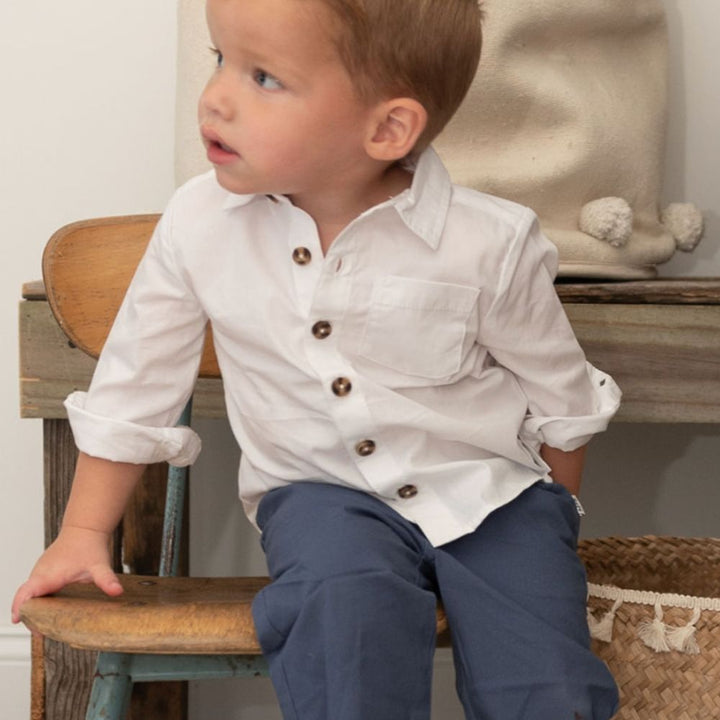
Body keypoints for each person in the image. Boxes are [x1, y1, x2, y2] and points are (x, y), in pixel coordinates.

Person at [13, 0, 621, 718]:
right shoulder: (199, 225)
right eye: (220, 60)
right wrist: (84, 533)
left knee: (543, 674)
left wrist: (550, 524)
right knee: (344, 618)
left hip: (492, 493)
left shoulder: (490, 241)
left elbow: (563, 401)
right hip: (321, 495)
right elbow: (133, 389)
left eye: (264, 77)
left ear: (388, 127)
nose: (217, 97)